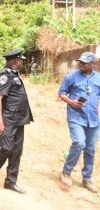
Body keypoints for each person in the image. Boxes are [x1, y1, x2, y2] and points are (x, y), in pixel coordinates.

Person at [0, 49, 33, 194]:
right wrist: (0, 122)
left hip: (19, 120)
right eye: (21, 60)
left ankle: (10, 182)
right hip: (7, 120)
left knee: (16, 151)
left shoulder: (15, 75)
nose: (22, 63)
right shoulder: (4, 76)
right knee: (7, 148)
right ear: (16, 61)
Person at [59, 52, 99, 193]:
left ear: (93, 64)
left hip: (93, 119)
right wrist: (71, 102)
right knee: (79, 143)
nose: (80, 64)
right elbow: (61, 93)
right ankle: (66, 171)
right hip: (75, 116)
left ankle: (86, 179)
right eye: (80, 62)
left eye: (84, 62)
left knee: (90, 149)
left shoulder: (99, 78)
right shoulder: (71, 77)